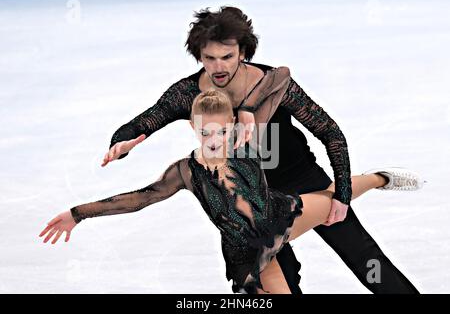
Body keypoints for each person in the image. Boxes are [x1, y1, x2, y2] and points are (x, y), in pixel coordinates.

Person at [98, 6, 421, 294]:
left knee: (365, 259)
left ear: (243, 52)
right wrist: (123, 143)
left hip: (301, 176)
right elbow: (143, 122)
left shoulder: (272, 84)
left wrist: (343, 194)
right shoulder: (188, 93)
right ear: (199, 56)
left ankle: (378, 178)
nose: (218, 66)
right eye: (209, 58)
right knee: (279, 278)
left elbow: (330, 133)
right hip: (254, 196)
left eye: (226, 56)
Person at [39, 88, 423, 294]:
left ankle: (379, 177)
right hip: (246, 251)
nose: (214, 139)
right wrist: (77, 213)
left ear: (234, 129)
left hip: (278, 217)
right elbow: (143, 198)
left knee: (333, 199)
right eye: (205, 132)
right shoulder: (184, 171)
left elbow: (277, 79)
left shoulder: (245, 147)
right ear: (193, 128)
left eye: (222, 131)